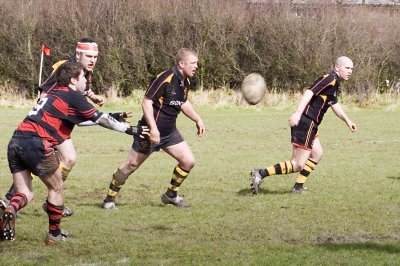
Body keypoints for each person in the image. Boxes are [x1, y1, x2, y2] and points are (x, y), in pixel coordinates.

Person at [0, 62, 148, 244]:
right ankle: (54, 235)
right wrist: (129, 129)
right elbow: (100, 119)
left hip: (16, 140)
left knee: (24, 192)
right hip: (36, 142)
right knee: (56, 187)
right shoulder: (72, 95)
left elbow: (82, 120)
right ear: (72, 80)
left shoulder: (55, 94)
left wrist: (112, 116)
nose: (86, 80)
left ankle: (11, 209)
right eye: (83, 77)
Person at [0, 38, 105, 217]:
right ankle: (22, 199)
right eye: (89, 55)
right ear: (78, 54)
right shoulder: (64, 66)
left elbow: (80, 88)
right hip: (49, 120)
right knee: (51, 158)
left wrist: (92, 95)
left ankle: (45, 199)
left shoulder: (85, 70)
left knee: (68, 158)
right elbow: (46, 90)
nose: (93, 60)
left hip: (60, 120)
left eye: (95, 56)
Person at [101, 48, 205, 209]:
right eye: (193, 63)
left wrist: (197, 119)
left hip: (170, 132)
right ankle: (109, 200)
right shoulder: (165, 78)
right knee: (131, 165)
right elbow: (146, 101)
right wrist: (153, 129)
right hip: (149, 132)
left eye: (196, 63)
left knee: (188, 161)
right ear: (181, 63)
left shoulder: (185, 82)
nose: (196, 66)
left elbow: (183, 102)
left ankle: (171, 195)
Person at [250, 56, 357, 194]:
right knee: (298, 164)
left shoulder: (335, 83)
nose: (350, 71)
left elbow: (333, 103)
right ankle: (260, 173)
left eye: (352, 69)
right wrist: (298, 113)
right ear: (337, 68)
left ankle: (298, 187)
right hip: (306, 122)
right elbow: (309, 92)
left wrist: (347, 121)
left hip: (312, 124)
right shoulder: (329, 79)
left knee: (317, 154)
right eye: (347, 68)